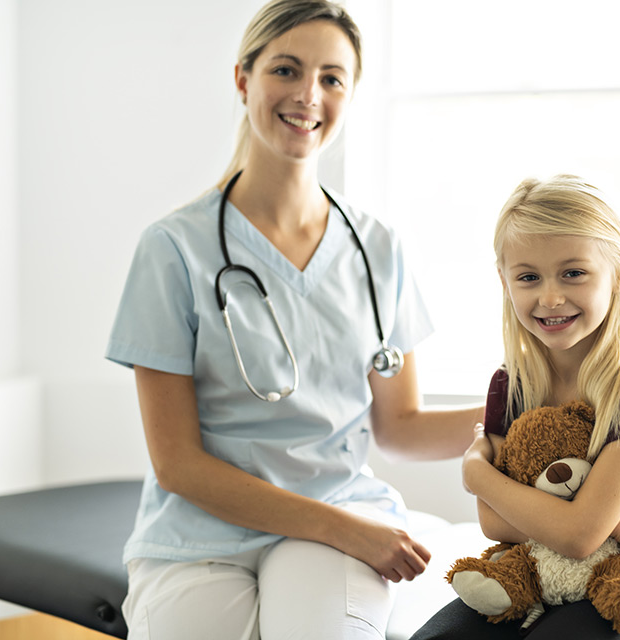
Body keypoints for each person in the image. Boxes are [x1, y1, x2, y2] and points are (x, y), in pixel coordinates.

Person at [105, 2, 484, 639]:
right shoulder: (173, 248)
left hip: (338, 511)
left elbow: (399, 427)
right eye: (287, 69)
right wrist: (343, 528)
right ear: (243, 79)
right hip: (202, 527)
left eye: (333, 78)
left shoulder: (377, 249)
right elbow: (178, 465)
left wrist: (520, 413)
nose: (309, 94)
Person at [409, 175, 620, 640]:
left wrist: (477, 474)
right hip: (529, 578)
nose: (549, 297)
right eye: (528, 277)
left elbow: (579, 536)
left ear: (619, 271)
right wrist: (618, 519)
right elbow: (495, 524)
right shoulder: (512, 385)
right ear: (504, 281)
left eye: (573, 273)